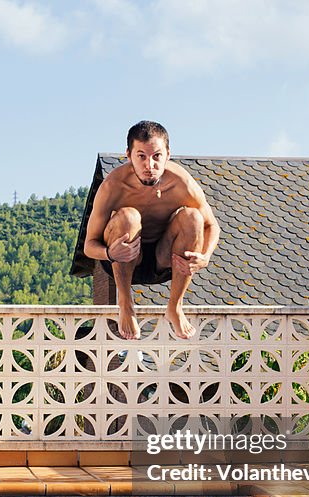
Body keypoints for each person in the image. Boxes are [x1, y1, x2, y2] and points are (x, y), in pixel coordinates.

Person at [83, 121, 220, 340]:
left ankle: (175, 306)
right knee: (129, 216)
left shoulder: (181, 183)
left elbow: (212, 225)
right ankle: (125, 303)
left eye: (156, 156)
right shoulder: (113, 186)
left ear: (167, 154)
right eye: (141, 156)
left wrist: (205, 257)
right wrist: (109, 254)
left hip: (163, 259)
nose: (150, 165)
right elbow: (89, 245)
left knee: (193, 217)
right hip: (122, 259)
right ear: (128, 155)